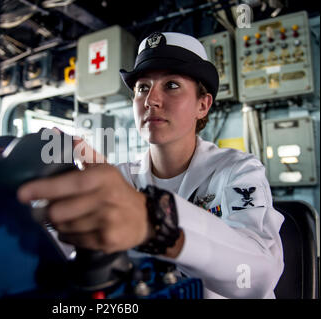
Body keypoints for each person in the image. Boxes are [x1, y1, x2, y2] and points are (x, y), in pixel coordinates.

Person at [17, 32, 285, 299]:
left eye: (171, 85)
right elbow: (63, 255)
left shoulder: (237, 170)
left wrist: (158, 225)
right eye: (143, 87)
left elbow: (259, 276)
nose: (151, 100)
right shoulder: (121, 178)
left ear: (202, 105)